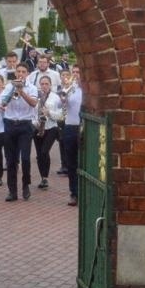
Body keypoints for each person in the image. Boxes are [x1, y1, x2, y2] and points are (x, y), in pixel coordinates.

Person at [0, 63, 39, 201]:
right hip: (10, 124)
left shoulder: (32, 88)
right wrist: (13, 89)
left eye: (23, 71)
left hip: (25, 126)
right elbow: (3, 103)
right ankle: (12, 191)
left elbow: (33, 103)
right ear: (15, 73)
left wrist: (21, 91)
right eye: (18, 71)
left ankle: (26, 185)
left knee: (26, 159)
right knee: (10, 160)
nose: (20, 74)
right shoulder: (9, 86)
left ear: (27, 73)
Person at [59, 68, 85, 206]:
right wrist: (64, 94)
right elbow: (60, 104)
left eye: (79, 72)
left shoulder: (88, 89)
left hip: (85, 127)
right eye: (74, 72)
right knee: (71, 162)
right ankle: (74, 193)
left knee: (85, 162)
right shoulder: (70, 88)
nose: (76, 75)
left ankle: (85, 192)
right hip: (70, 127)